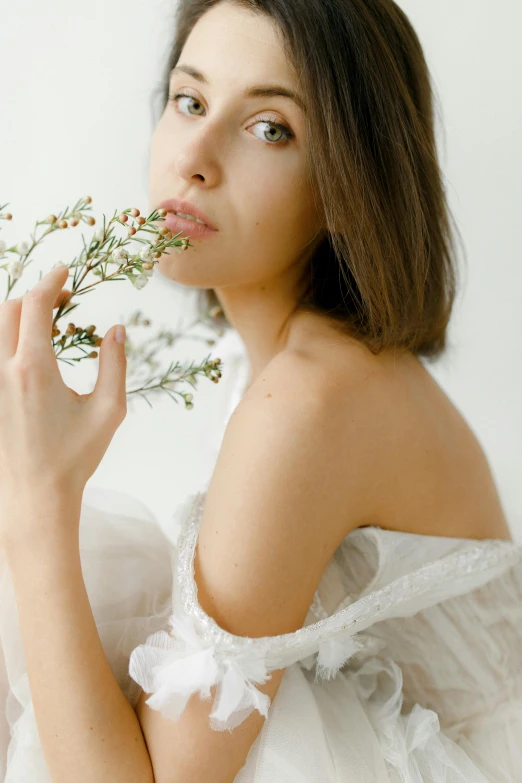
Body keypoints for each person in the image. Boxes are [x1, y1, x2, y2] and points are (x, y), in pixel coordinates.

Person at [0, 0, 521, 780]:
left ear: (345, 185)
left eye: (269, 127)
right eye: (190, 100)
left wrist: (36, 495)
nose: (196, 157)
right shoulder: (279, 365)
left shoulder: (312, 400)